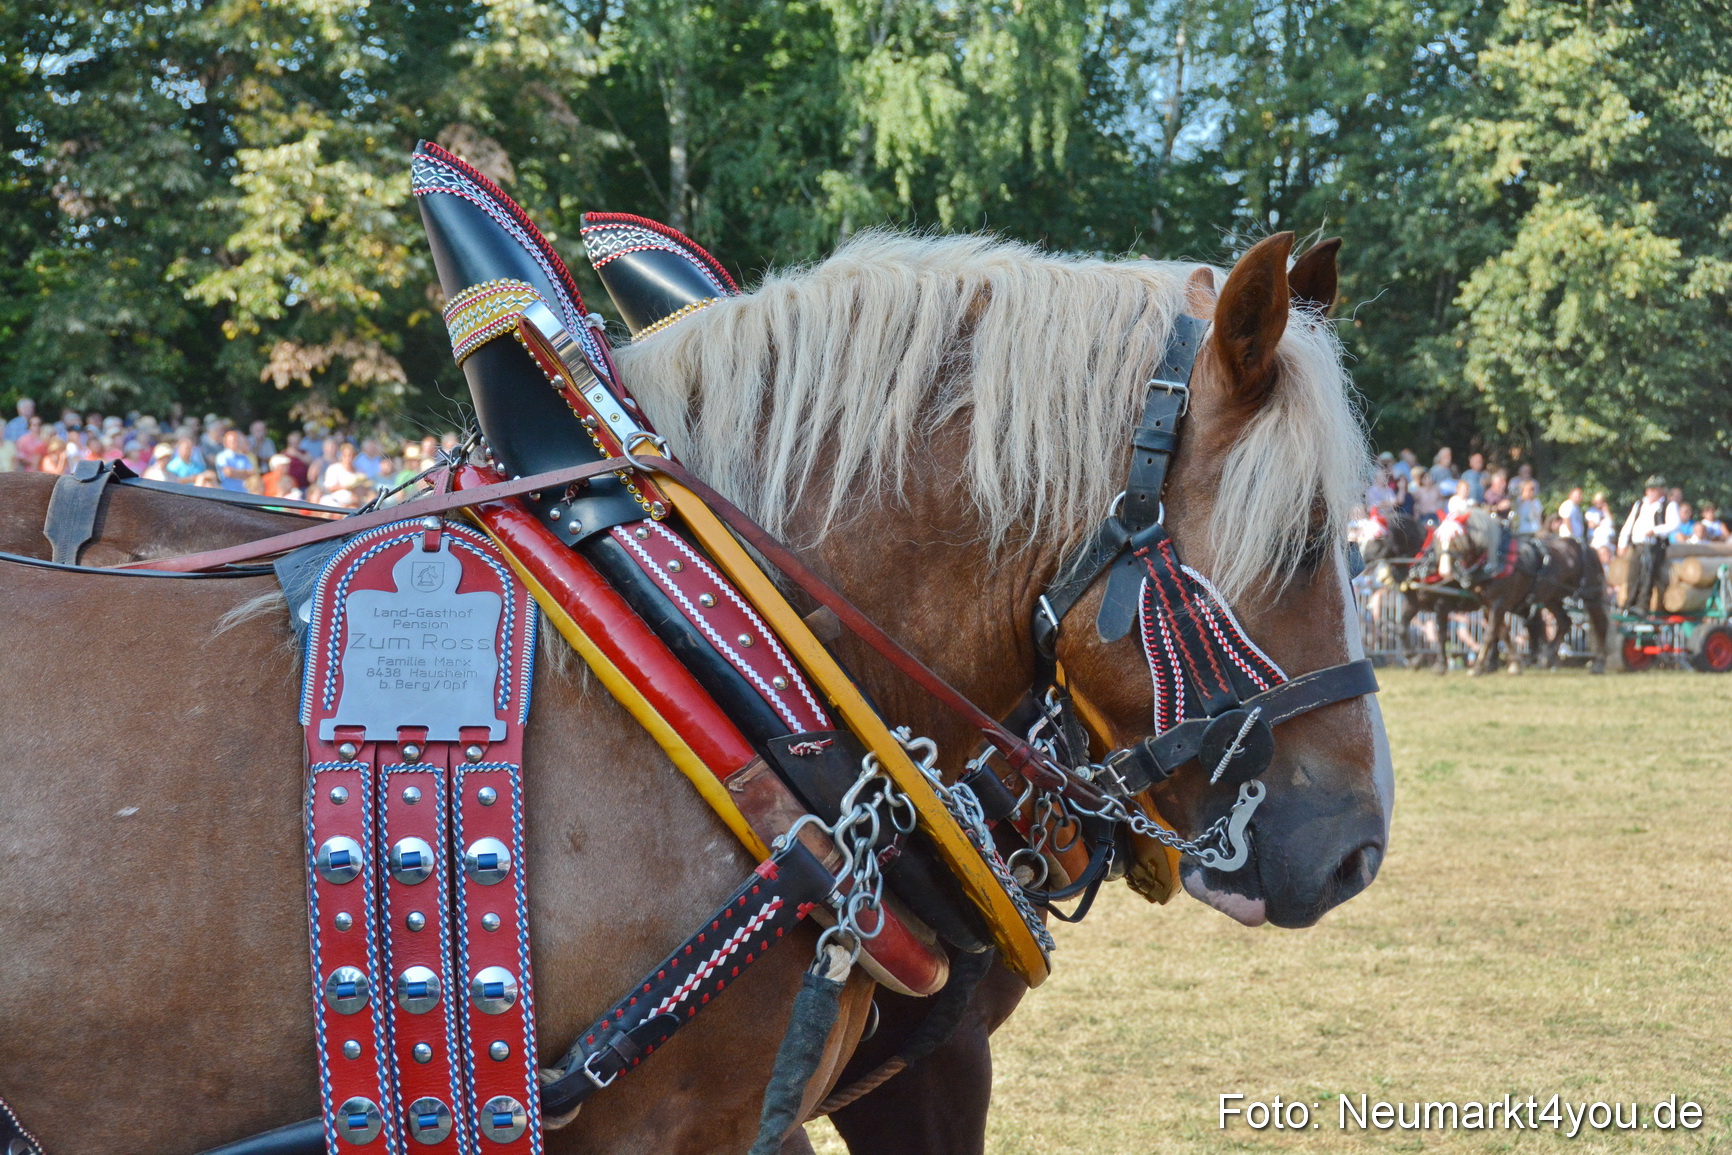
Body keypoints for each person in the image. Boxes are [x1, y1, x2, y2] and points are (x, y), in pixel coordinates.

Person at [1619, 476, 1679, 611]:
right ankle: (1629, 605)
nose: (1650, 492)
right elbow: (1628, 524)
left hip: (1654, 546)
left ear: (1661, 491)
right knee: (1633, 575)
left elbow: (1674, 524)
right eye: (1649, 489)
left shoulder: (1668, 505)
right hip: (1638, 545)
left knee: (1647, 576)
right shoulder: (1640, 504)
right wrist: (1622, 543)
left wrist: (1655, 530)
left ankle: (1642, 606)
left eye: (1654, 489)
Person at [214, 428, 257, 492]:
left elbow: (251, 472)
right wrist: (244, 473)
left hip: (243, 491)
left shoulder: (243, 457)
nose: (233, 443)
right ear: (225, 443)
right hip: (227, 491)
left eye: (235, 441)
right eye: (231, 441)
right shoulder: (221, 456)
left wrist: (234, 472)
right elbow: (228, 473)